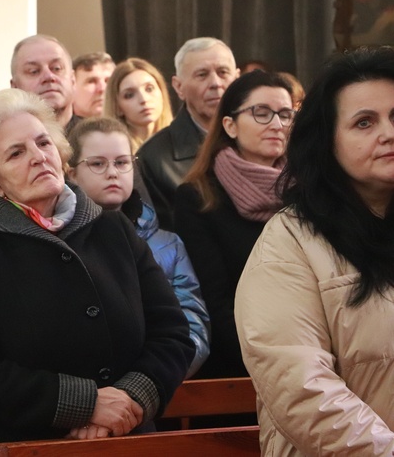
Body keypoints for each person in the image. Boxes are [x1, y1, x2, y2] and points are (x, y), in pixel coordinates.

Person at [0, 88, 194, 456]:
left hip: (129, 440)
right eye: (17, 153)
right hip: (18, 447)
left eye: (43, 143)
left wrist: (130, 399)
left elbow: (173, 333)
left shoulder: (114, 230)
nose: (38, 157)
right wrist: (86, 405)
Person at [235, 46, 394, 455]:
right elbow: (301, 387)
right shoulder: (289, 242)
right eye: (364, 122)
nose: (388, 133)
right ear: (328, 142)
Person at [173, 70, 293, 381]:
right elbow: (215, 299)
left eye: (285, 114)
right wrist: (267, 367)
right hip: (240, 366)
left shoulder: (308, 191)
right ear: (230, 125)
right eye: (262, 113)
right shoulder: (198, 197)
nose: (277, 125)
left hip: (309, 355)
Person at [67, 116, 209, 378]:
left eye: (122, 163)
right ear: (71, 173)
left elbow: (193, 326)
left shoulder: (168, 244)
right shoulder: (58, 241)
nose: (112, 172)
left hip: (155, 387)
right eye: (98, 163)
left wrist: (148, 381)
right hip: (84, 392)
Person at [137, 37, 239, 230]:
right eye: (202, 75)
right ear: (178, 87)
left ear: (237, 78)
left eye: (223, 72)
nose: (215, 83)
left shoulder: (258, 140)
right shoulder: (153, 158)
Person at [104, 58, 174, 149]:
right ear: (117, 107)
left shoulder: (184, 142)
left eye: (149, 89)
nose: (144, 99)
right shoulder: (112, 152)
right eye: (129, 95)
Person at [10, 34, 77, 128]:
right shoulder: (1, 141)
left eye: (56, 68)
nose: (49, 76)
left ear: (73, 80)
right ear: (15, 87)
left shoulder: (96, 138)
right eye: (34, 71)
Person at [72, 52, 115, 119]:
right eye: (91, 81)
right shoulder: (55, 128)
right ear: (72, 88)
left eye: (108, 81)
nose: (102, 88)